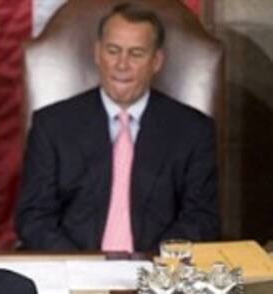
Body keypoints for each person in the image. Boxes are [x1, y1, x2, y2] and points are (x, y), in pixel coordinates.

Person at [16, 2, 220, 252]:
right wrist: (82, 266)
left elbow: (201, 218)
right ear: (97, 53)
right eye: (113, 51)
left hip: (158, 268)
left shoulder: (193, 130)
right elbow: (34, 217)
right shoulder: (52, 125)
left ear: (156, 61)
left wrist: (157, 263)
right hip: (73, 267)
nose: (122, 64)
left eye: (136, 53)